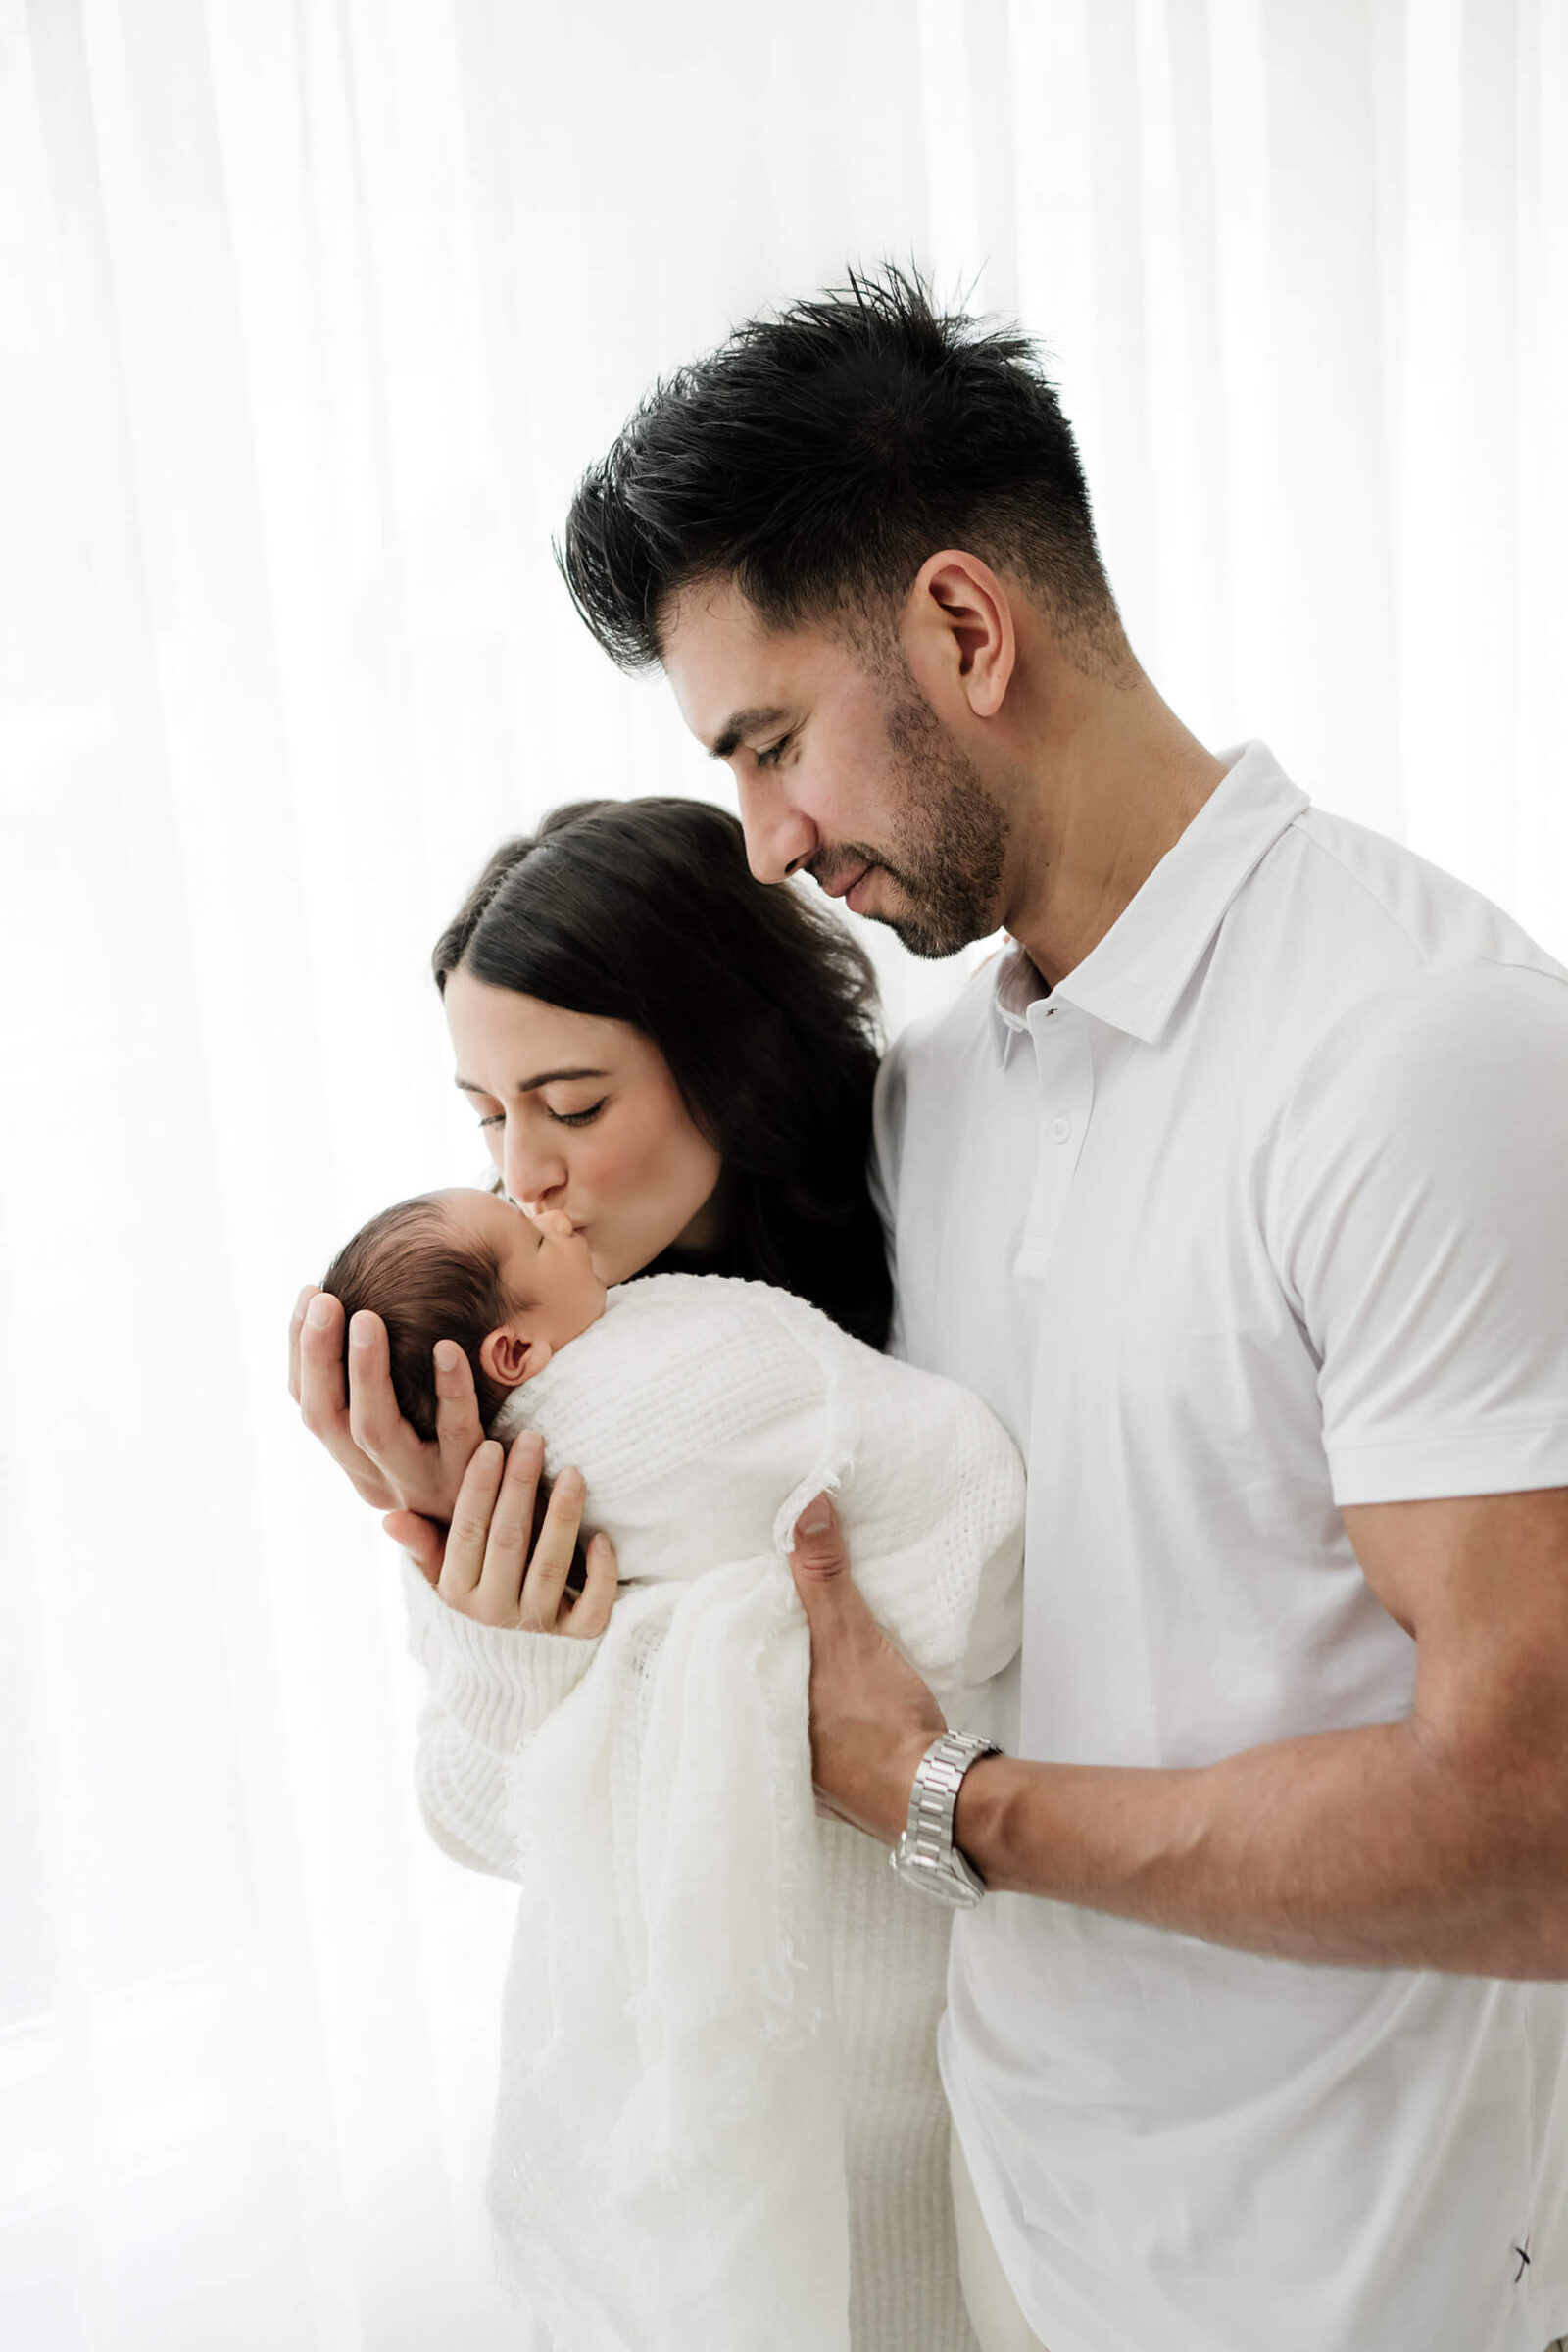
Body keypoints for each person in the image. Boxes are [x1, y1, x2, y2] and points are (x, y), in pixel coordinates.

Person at [554, 266, 1568, 2352]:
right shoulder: (941, 1084)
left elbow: (1529, 1832)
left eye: (768, 744)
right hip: (1029, 2241)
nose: (760, 841)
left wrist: (943, 1805)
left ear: (959, 627)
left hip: (1373, 2283)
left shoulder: (1419, 1048)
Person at [290, 795, 997, 2350]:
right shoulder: (539, 1387)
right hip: (724, 2136)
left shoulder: (915, 1272)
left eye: (570, 1102)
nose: (524, 1175)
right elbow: (485, 1821)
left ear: (726, 1056)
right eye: (486, 1116)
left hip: (982, 2092)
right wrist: (475, 1608)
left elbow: (991, 1606)